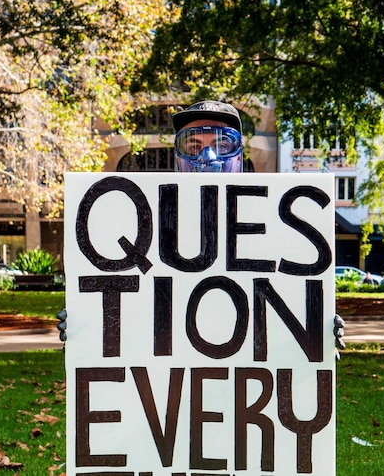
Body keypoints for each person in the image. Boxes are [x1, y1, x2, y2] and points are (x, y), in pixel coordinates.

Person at [57, 100, 347, 353]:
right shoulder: (145, 227)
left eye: (222, 145)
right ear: (178, 157)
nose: (207, 159)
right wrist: (90, 328)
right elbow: (139, 303)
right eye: (193, 146)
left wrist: (315, 335)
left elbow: (284, 298)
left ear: (239, 157)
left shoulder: (277, 225)